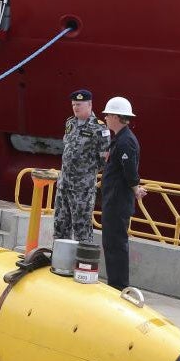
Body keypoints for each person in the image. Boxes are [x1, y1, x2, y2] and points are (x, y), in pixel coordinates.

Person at [100, 96, 147, 290]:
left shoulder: (125, 141)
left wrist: (136, 189)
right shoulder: (120, 139)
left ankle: (118, 285)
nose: (105, 119)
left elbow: (129, 171)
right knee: (111, 242)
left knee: (115, 243)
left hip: (118, 201)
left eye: (108, 115)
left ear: (117, 117)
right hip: (113, 198)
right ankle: (115, 282)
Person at [53, 89, 110, 244]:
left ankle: (82, 264)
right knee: (60, 224)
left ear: (89, 104)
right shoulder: (70, 122)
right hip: (64, 184)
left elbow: (103, 159)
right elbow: (67, 148)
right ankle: (59, 261)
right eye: (73, 104)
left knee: (81, 227)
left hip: (82, 188)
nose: (75, 107)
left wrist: (85, 173)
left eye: (79, 104)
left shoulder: (99, 128)